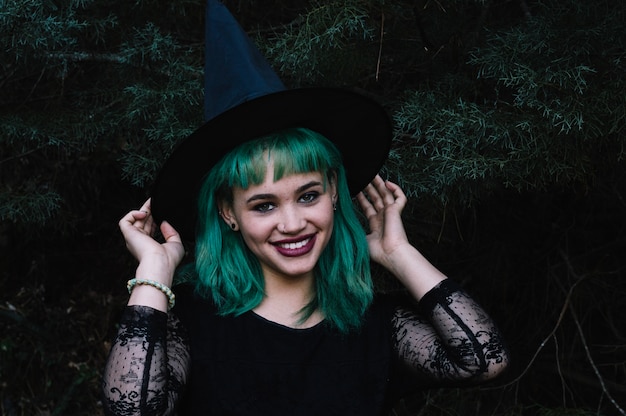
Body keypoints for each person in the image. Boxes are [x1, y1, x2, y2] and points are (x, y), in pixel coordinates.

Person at [101, 2, 508, 415]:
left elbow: (483, 360)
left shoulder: (374, 324)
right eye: (264, 206)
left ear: (334, 191)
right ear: (229, 213)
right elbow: (131, 411)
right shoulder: (189, 321)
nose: (293, 224)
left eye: (308, 196)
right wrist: (154, 270)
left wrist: (398, 255)